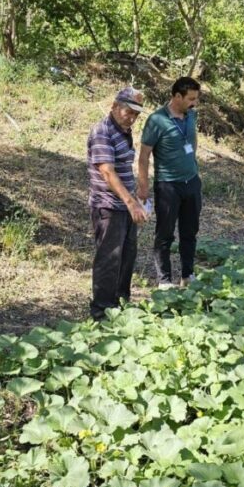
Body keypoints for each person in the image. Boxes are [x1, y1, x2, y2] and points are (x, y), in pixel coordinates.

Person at [87, 87, 149, 321]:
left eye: (136, 114)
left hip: (125, 204)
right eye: (128, 111)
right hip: (108, 205)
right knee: (109, 258)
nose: (131, 118)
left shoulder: (123, 130)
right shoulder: (102, 132)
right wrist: (131, 202)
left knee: (127, 255)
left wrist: (136, 196)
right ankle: (101, 311)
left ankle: (120, 302)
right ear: (114, 106)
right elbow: (107, 172)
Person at [137, 77, 202, 288]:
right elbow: (144, 156)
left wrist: (191, 163)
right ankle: (164, 281)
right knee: (165, 234)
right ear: (177, 96)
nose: (194, 103)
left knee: (190, 232)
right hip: (168, 185)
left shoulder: (191, 115)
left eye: (196, 98)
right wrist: (143, 187)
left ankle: (187, 275)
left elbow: (192, 140)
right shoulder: (157, 120)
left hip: (191, 182)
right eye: (191, 99)